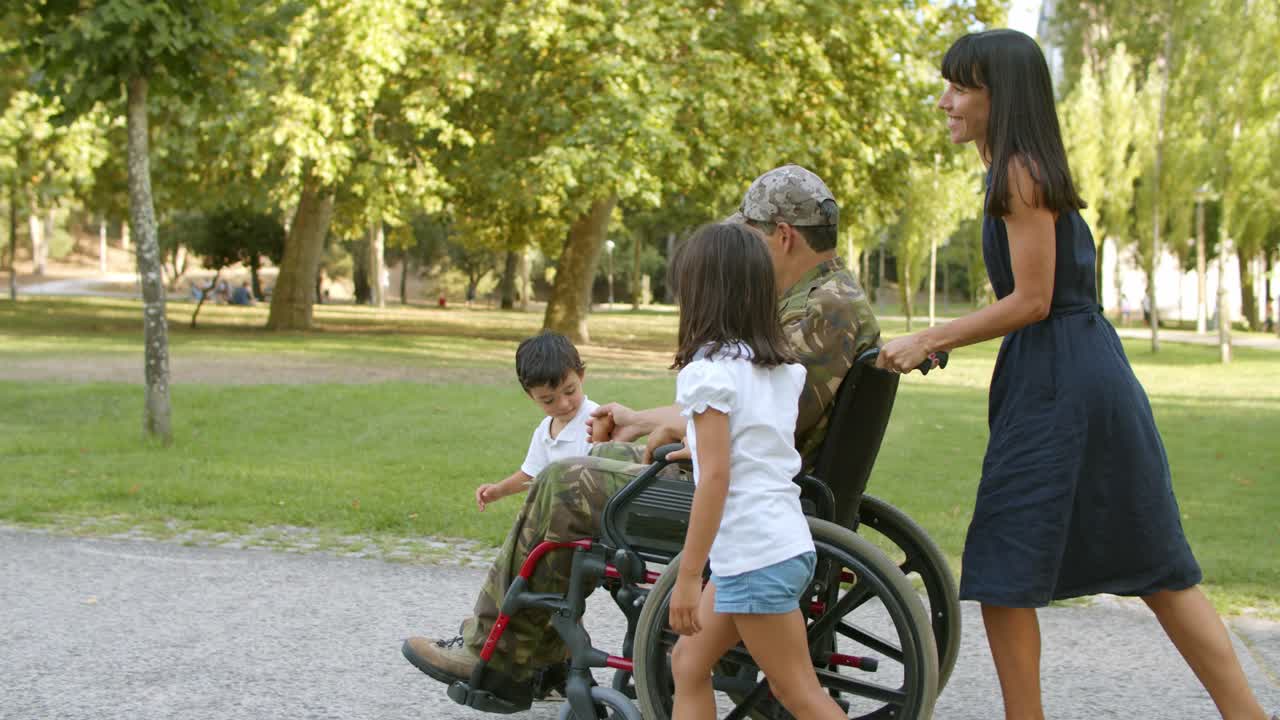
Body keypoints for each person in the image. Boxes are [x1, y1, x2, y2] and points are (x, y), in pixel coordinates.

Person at [876, 29, 1270, 720]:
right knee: (1154, 563)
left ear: (1004, 97)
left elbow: (1031, 299)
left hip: (1062, 383)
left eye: (961, 87)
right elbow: (1039, 300)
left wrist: (933, 335)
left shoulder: (1019, 175)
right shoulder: (1021, 168)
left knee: (1008, 565)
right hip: (1076, 371)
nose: (945, 101)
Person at [401, 164, 881, 708]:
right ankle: (538, 651)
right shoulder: (822, 299)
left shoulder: (824, 308)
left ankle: (500, 656)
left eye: (748, 237)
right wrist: (645, 422)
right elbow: (744, 402)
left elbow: (746, 417)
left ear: (783, 234)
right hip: (761, 488)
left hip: (748, 503)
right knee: (598, 455)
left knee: (566, 479)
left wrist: (664, 428)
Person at [662, 222, 848, 720]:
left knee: (799, 695)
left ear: (702, 296)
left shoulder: (709, 373)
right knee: (687, 663)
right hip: (780, 545)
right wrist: (698, 448)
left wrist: (687, 576)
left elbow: (719, 478)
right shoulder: (778, 370)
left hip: (751, 557)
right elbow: (750, 450)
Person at [473, 331, 598, 512]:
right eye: (548, 400)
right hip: (559, 515)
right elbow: (531, 474)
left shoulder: (596, 420)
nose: (563, 404)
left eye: (570, 391)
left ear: (581, 376)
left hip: (590, 517)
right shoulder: (544, 431)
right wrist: (498, 491)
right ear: (531, 396)